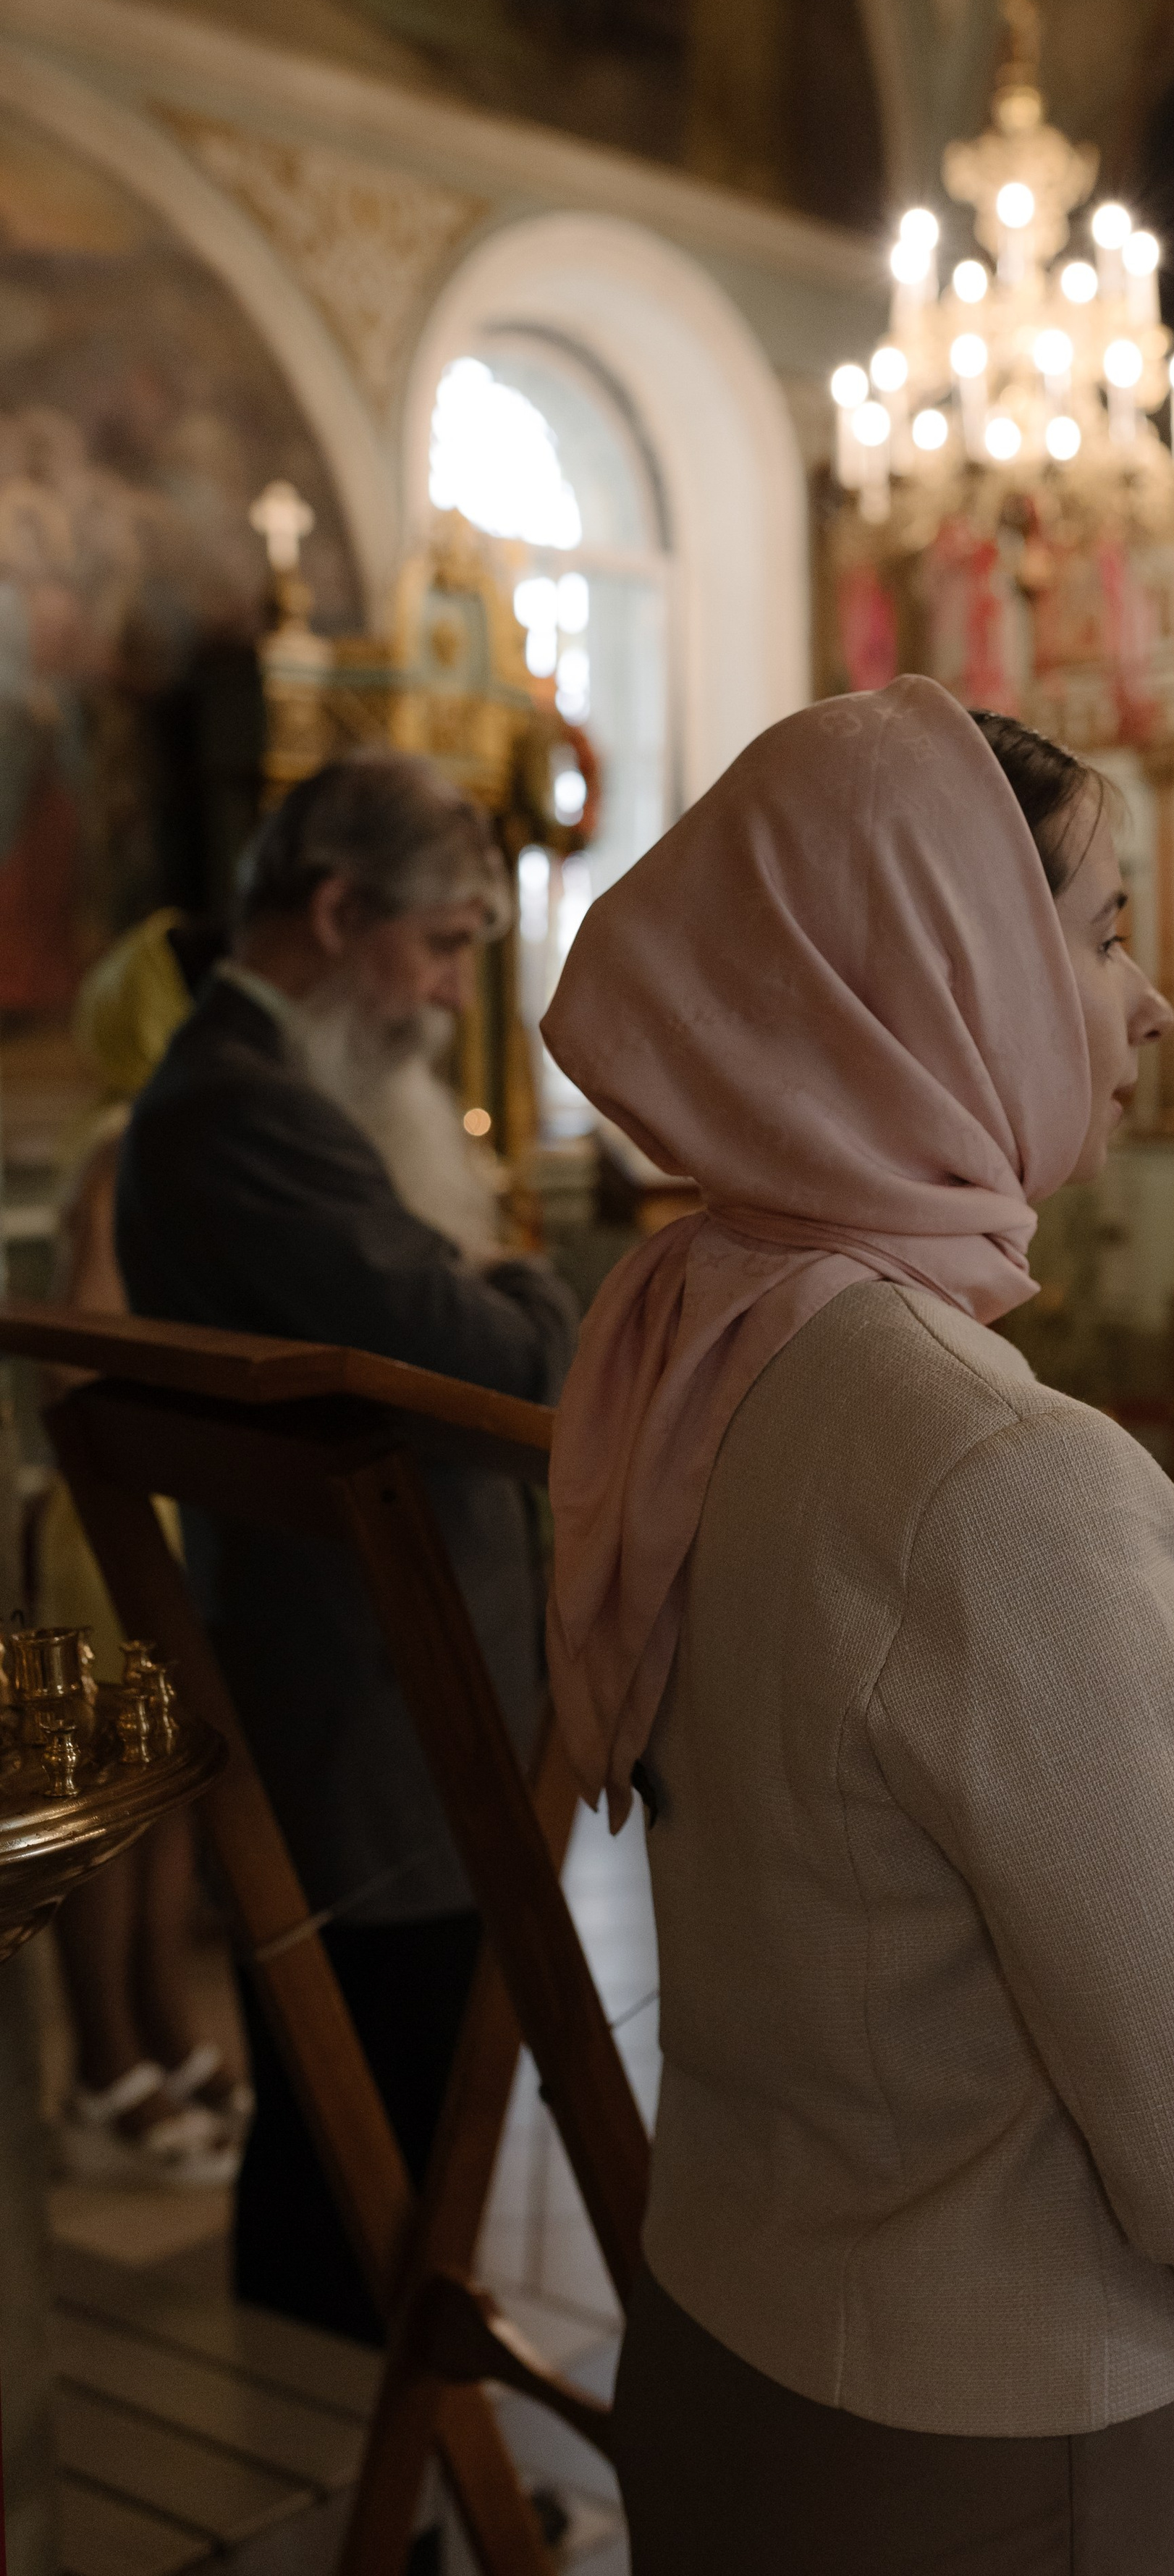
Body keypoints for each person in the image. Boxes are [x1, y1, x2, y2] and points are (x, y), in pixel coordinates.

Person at [542, 681, 1174, 2576]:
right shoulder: (997, 1475)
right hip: (1006, 2452)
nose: (1155, 1000)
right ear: (926, 973)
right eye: (1100, 933)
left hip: (731, 2348)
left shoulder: (702, 1329)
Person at [114, 752, 578, 2336]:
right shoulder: (242, 1110)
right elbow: (497, 1359)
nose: (453, 990)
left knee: (395, 2126)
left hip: (389, 1688)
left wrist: (483, 1275)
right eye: (441, 943)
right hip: (366, 1712)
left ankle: (400, 2472)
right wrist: (522, 1279)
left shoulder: (281, 1092)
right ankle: (367, 2487)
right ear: (334, 909)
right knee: (362, 2137)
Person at [43, 908, 247, 2191]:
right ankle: (106, 2061)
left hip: (163, 1489)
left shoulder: (163, 1138)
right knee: (111, 1808)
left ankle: (166, 2031)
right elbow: (90, 1344)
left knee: (171, 1794)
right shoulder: (126, 1142)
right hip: (117, 1497)